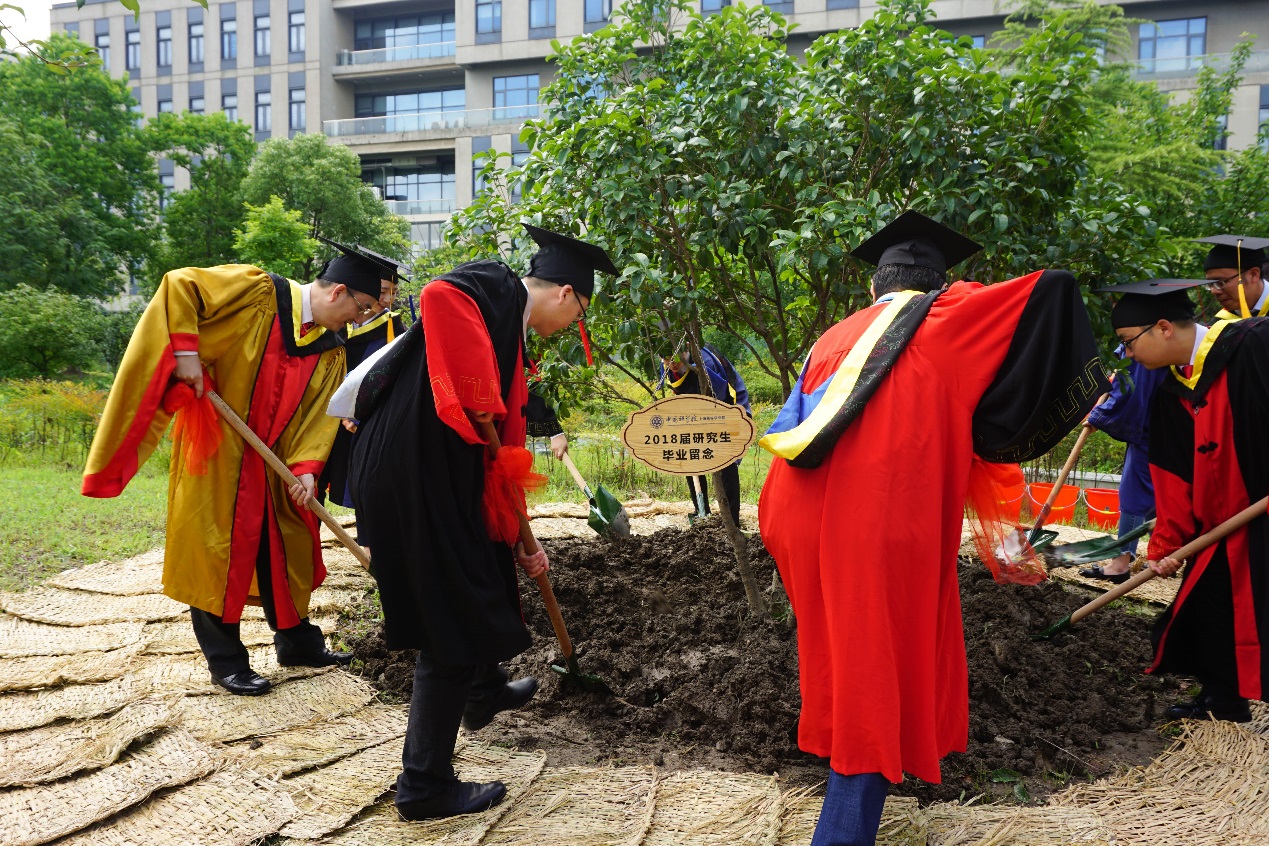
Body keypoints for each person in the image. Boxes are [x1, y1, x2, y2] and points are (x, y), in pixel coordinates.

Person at [758, 210, 1107, 846]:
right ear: (937, 286)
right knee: (874, 671)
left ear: (874, 287)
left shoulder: (834, 336)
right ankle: (841, 834)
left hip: (795, 517)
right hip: (878, 524)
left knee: (842, 658)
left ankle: (852, 785)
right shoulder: (943, 320)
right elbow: (1051, 286)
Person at [346, 225, 619, 821]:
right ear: (566, 294)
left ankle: (482, 689)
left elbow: (503, 449)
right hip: (416, 477)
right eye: (578, 316)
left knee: (484, 569)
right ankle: (424, 787)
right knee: (448, 624)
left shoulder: (512, 332)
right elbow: (439, 294)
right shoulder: (495, 286)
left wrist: (519, 539)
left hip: (442, 478)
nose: (570, 327)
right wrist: (477, 390)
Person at [82, 246, 393, 695]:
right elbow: (180, 285)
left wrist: (307, 468)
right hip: (220, 452)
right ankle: (226, 661)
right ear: (338, 291)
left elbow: (317, 418)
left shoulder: (329, 349)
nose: (358, 320)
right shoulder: (257, 292)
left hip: (279, 462)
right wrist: (185, 353)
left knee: (288, 546)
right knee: (215, 550)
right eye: (360, 308)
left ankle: (297, 643)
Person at [1102, 279, 1269, 723]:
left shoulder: (1253, 344)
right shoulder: (1171, 391)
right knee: (1210, 607)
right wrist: (1166, 546)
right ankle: (1223, 699)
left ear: (1162, 328)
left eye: (1129, 342)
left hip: (1262, 513)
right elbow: (1173, 478)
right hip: (1220, 527)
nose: (1128, 355)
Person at [315, 240, 409, 545]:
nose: (386, 300)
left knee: (369, 479)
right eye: (382, 291)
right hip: (323, 416)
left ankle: (372, 546)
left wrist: (361, 412)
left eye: (391, 293)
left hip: (360, 420)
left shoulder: (394, 330)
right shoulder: (333, 322)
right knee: (314, 476)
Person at [1078, 354, 1167, 583]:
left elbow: (1132, 387)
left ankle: (1120, 564)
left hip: (1152, 425)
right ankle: (1165, 555)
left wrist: (1100, 415)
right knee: (1160, 490)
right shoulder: (1164, 341)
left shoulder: (1142, 347)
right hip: (1171, 421)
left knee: (1134, 492)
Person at [662, 342, 751, 526]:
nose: (672, 363)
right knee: (689, 454)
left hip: (728, 405)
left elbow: (721, 398)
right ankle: (701, 511)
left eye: (676, 358)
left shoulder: (706, 364)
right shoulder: (667, 365)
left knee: (725, 460)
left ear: (686, 349)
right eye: (666, 359)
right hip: (695, 411)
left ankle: (731, 520)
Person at [1195, 234, 1269, 321]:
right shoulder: (1221, 323)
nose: (1214, 291)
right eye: (1210, 284)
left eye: (1221, 282)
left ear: (1253, 275)